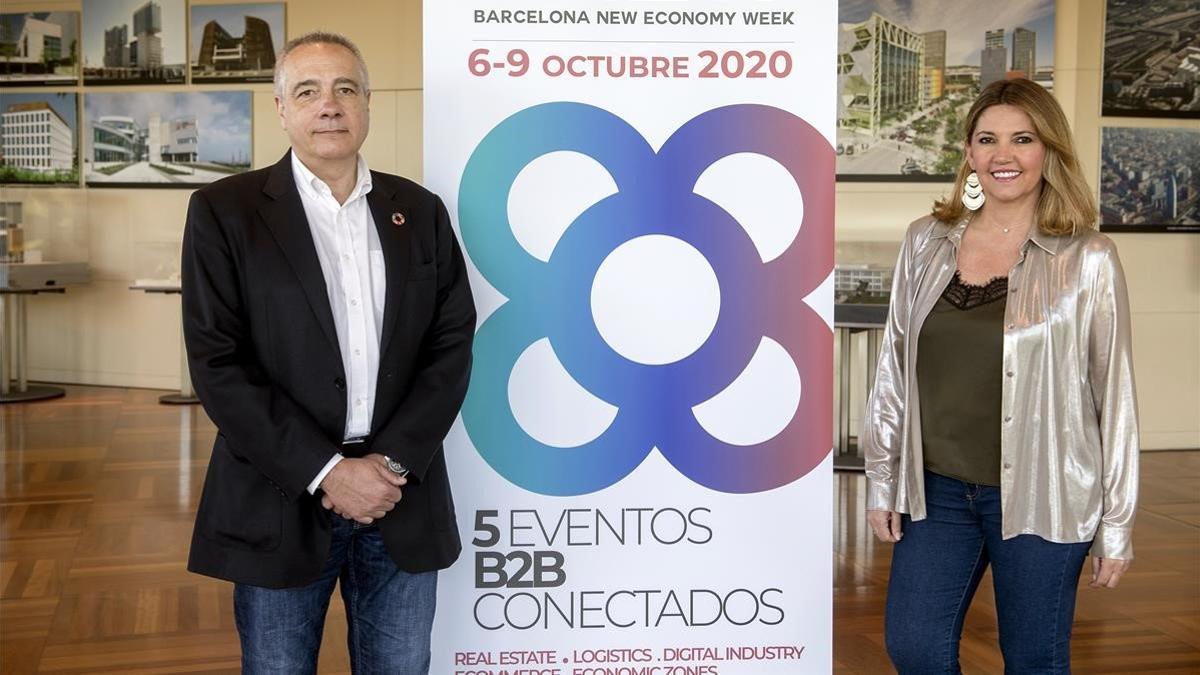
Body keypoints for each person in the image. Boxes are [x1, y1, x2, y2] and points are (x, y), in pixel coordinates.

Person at [181, 31, 475, 673]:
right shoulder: (223, 213)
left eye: (346, 88)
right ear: (282, 109)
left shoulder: (419, 211)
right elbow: (218, 363)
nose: (330, 104)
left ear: (368, 104)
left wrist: (389, 465)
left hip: (402, 498)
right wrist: (330, 473)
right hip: (280, 496)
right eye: (308, 90)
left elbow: (450, 345)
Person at [862, 78, 1139, 674]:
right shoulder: (926, 241)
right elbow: (894, 365)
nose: (1003, 156)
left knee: (1033, 659)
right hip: (936, 491)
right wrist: (884, 476)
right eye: (987, 139)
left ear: (1049, 152)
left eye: (1023, 139)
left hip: (1047, 492)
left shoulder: (1088, 257)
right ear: (968, 154)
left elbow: (1112, 396)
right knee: (914, 647)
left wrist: (1116, 524)